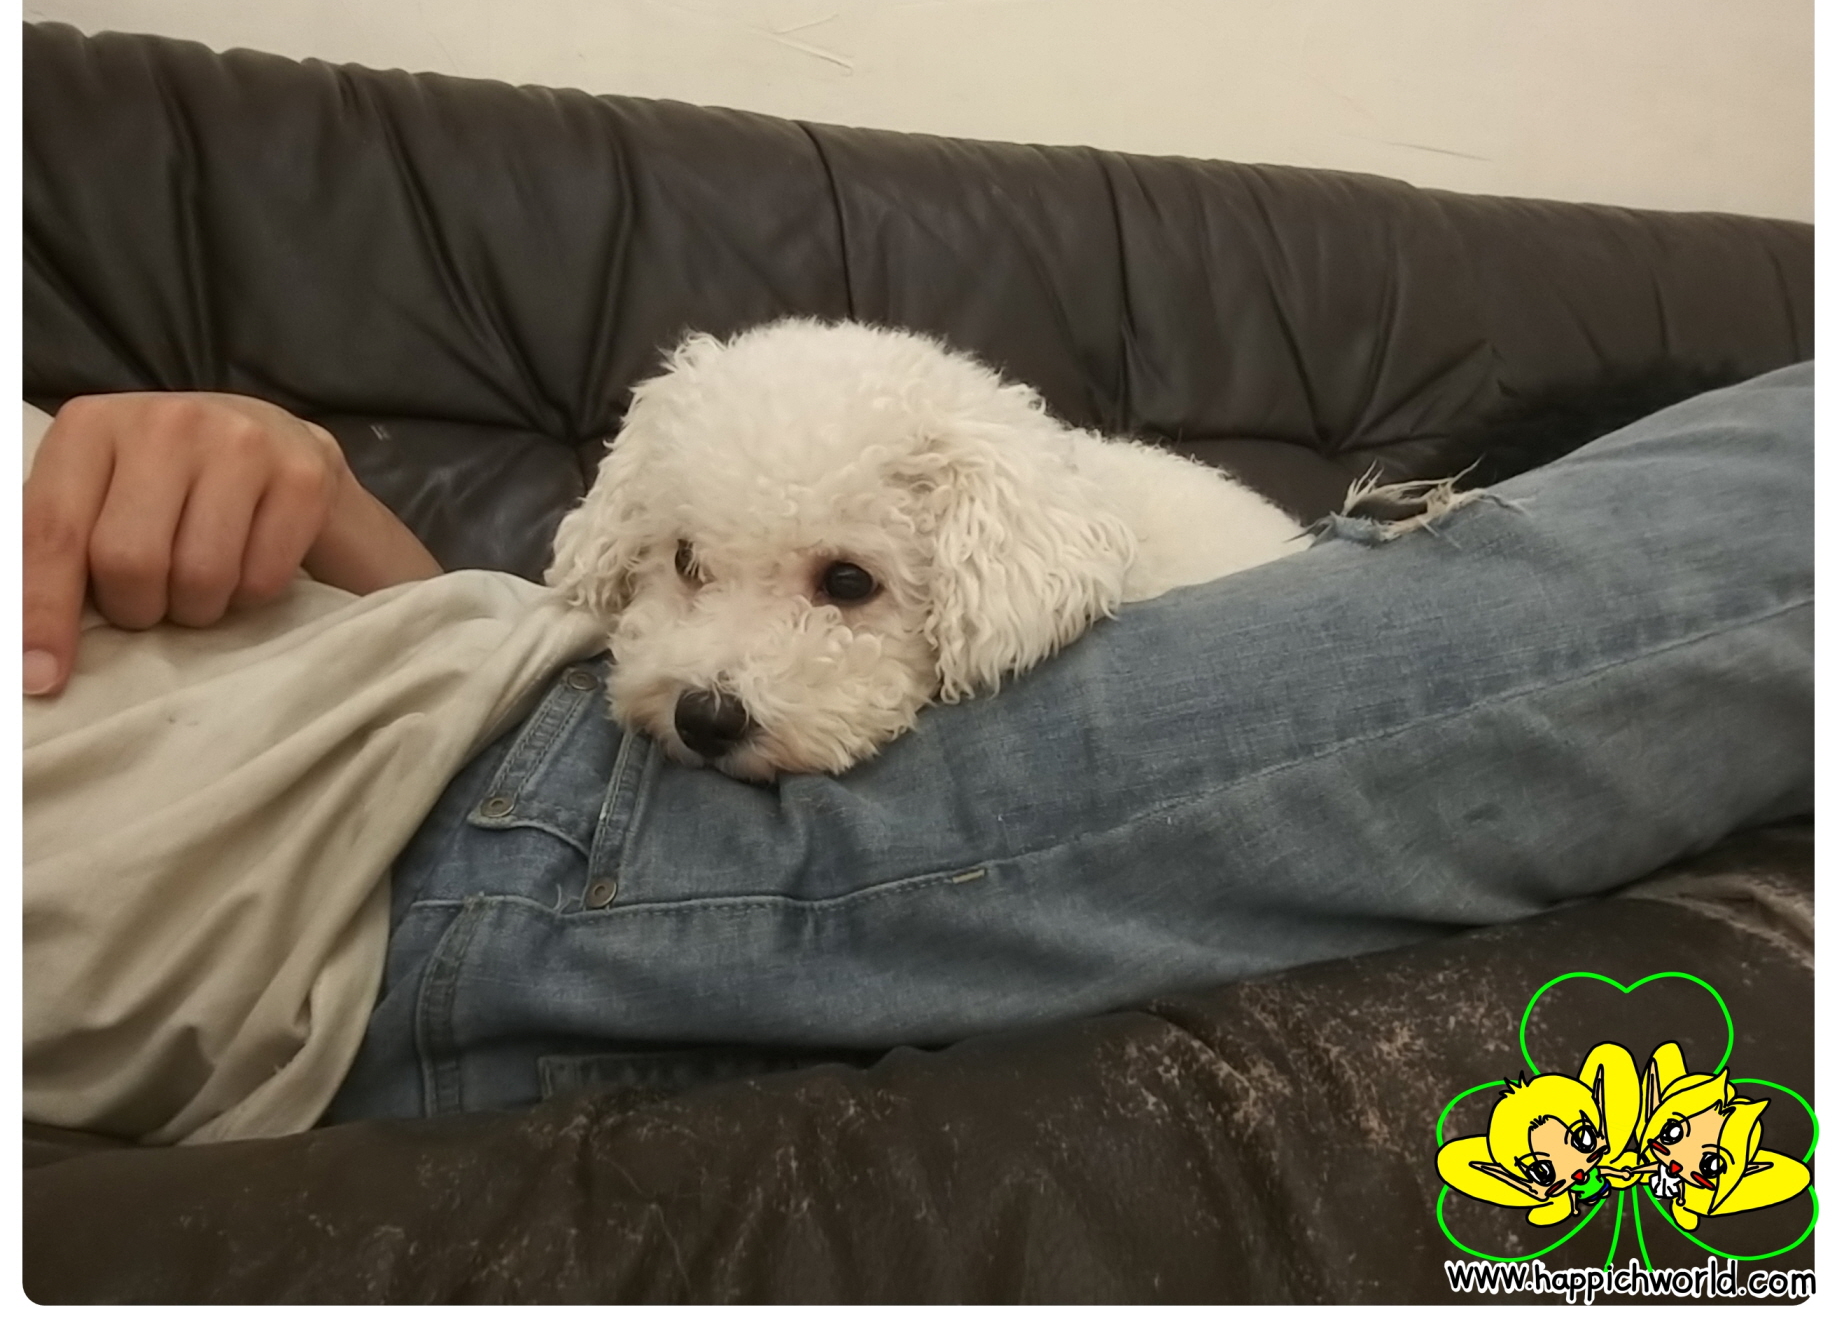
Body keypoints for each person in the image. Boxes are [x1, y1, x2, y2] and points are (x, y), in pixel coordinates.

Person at [21, 364, 1815, 1142]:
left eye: (839, 582)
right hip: (450, 877)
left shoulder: (1012, 526)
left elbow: (451, 652)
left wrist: (303, 485)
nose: (722, 653)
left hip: (474, 728)